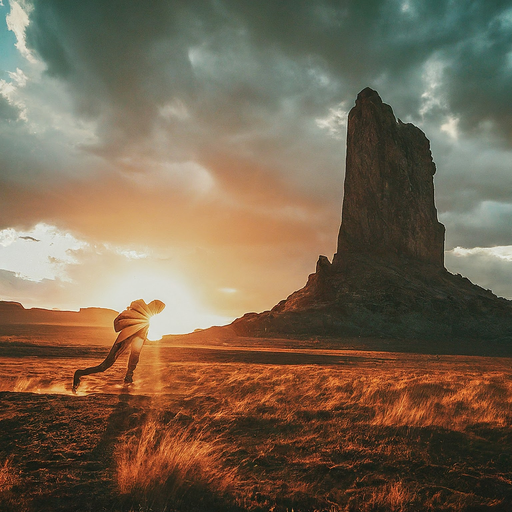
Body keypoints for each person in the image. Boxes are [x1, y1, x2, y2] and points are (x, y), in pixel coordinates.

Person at [72, 299, 166, 393]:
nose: (157, 313)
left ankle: (128, 379)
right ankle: (79, 373)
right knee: (104, 366)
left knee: (130, 358)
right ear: (155, 307)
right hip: (122, 340)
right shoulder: (139, 313)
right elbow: (123, 324)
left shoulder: (144, 316)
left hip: (127, 340)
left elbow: (137, 345)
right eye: (158, 310)